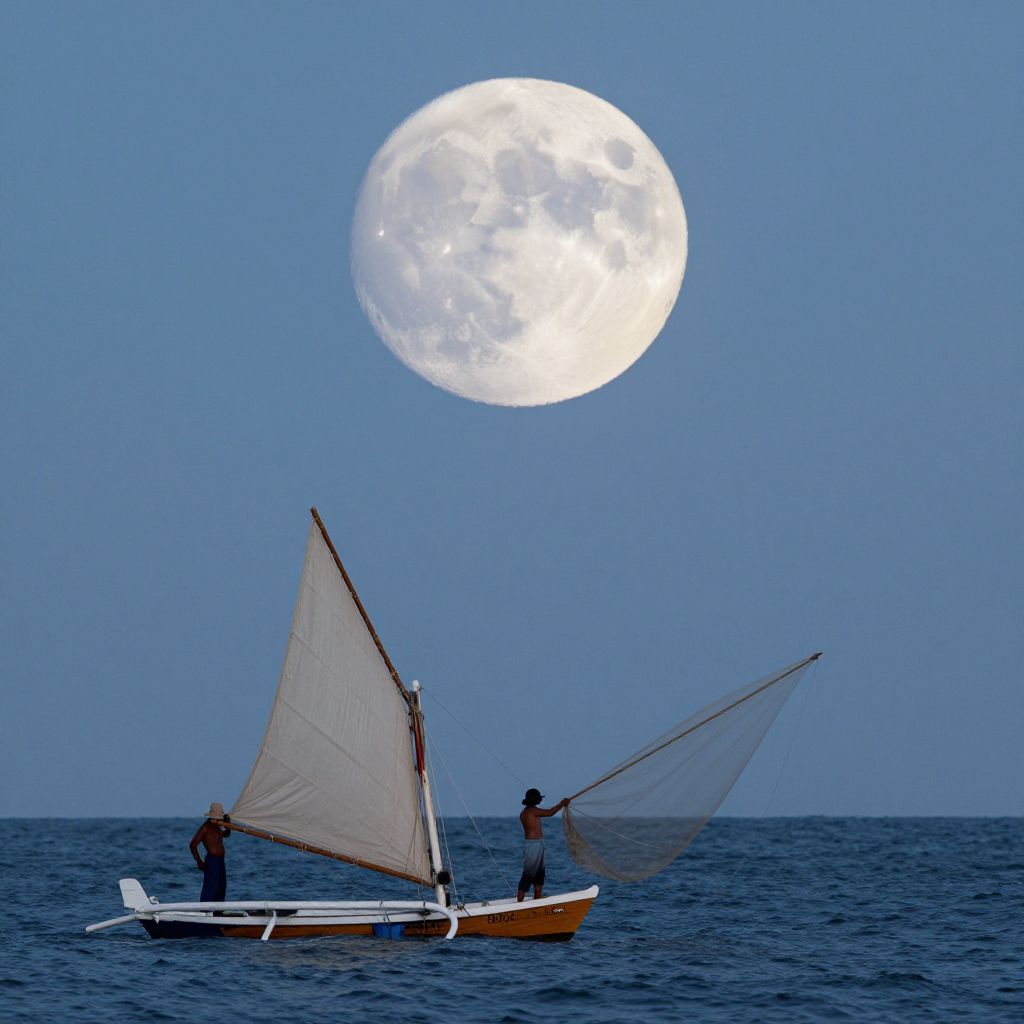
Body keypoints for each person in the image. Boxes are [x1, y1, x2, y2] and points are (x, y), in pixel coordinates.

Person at [516, 788, 569, 903]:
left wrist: (560, 804)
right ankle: (519, 903)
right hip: (533, 845)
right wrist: (562, 803)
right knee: (528, 874)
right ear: (535, 800)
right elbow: (550, 813)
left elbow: (548, 811)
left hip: (536, 844)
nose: (540, 800)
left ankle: (537, 897)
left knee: (540, 872)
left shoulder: (526, 812)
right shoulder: (532, 811)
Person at [190, 801, 230, 903]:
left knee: (221, 887)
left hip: (220, 861)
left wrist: (228, 823)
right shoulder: (206, 827)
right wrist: (198, 861)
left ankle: (218, 909)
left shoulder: (218, 827)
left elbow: (226, 834)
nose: (217, 819)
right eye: (215, 818)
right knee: (210, 886)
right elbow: (193, 844)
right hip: (212, 860)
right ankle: (204, 909)